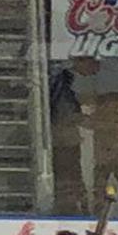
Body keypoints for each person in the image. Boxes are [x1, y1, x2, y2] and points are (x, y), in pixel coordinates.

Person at [86, 92, 118, 217]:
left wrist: (113, 149)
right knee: (99, 184)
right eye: (110, 103)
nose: (114, 106)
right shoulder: (98, 117)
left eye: (115, 104)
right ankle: (98, 206)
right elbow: (88, 123)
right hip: (102, 158)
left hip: (116, 156)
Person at [50, 65, 88, 215]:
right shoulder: (64, 94)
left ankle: (79, 206)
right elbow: (67, 116)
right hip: (64, 144)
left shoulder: (64, 93)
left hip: (66, 142)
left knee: (71, 176)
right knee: (70, 176)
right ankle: (75, 207)